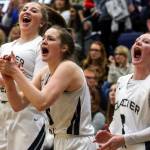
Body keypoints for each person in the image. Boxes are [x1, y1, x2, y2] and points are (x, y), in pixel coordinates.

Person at [0, 25, 97, 150]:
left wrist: (15, 72)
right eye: (44, 38)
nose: (44, 41)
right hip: (59, 140)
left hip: (79, 141)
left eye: (50, 39)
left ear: (64, 47)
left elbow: (42, 102)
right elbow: (18, 104)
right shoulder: (44, 73)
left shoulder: (68, 67)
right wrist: (8, 79)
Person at [0, 2, 49, 150]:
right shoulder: (5, 47)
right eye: (25, 9)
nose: (27, 12)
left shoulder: (42, 45)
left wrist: (12, 75)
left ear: (42, 22)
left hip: (27, 114)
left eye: (34, 11)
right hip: (2, 111)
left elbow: (40, 86)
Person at [94, 33, 150, 150]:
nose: (138, 42)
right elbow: (119, 119)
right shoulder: (121, 81)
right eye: (137, 40)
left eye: (146, 42)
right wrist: (110, 135)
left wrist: (124, 139)